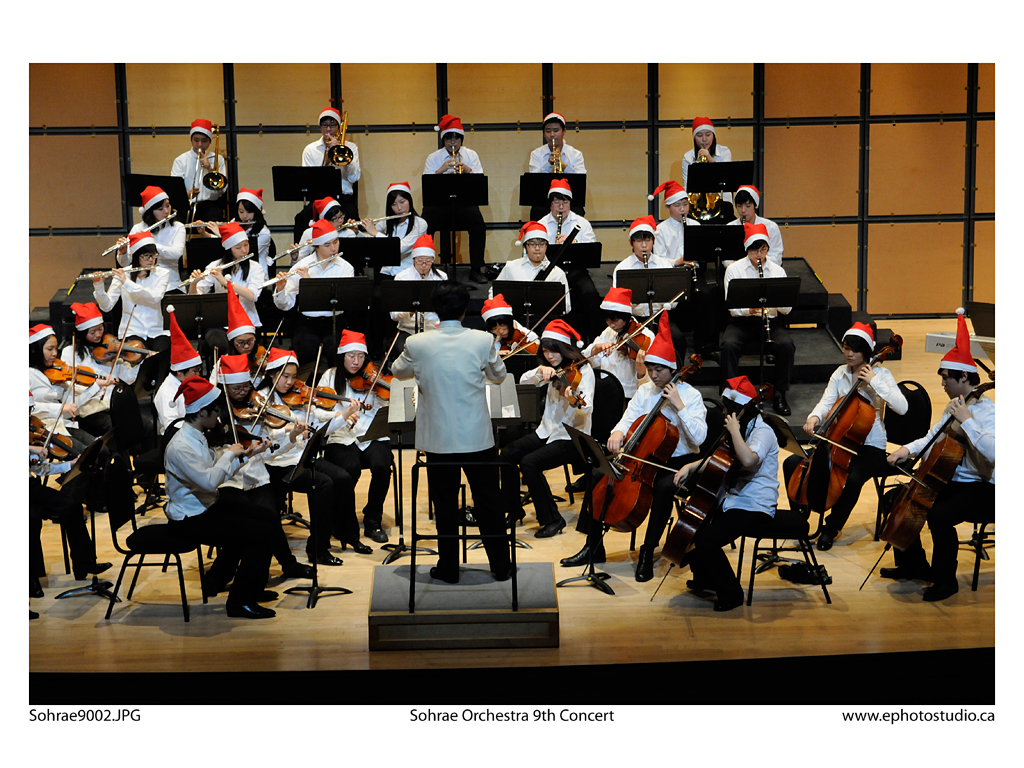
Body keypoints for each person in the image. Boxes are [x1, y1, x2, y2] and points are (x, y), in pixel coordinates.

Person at [563, 311, 707, 581]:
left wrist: (679, 406)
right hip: (643, 457)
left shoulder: (691, 396)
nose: (653, 375)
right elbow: (628, 419)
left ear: (673, 369)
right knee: (598, 473)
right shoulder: (645, 391)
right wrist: (618, 432)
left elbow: (699, 439)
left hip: (678, 462)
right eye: (650, 369)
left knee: (663, 489)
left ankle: (647, 551)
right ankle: (593, 547)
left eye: (659, 370)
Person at [390, 282, 513, 583]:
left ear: (436, 309)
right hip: (477, 438)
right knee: (489, 503)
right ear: (463, 310)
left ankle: (449, 568)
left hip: (438, 440)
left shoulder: (417, 343)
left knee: (444, 505)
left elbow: (397, 371)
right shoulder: (483, 339)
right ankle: (501, 565)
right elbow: (499, 376)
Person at [881, 309, 995, 601]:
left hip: (983, 487)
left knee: (939, 516)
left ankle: (946, 581)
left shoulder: (989, 412)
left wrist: (968, 421)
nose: (943, 384)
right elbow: (933, 436)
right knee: (896, 498)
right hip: (951, 480)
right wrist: (907, 449)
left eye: (946, 378)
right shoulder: (953, 404)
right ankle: (914, 566)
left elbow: (995, 455)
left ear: (964, 376)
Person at [784, 322, 908, 551]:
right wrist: (814, 417)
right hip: (839, 439)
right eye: (846, 348)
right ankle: (799, 520)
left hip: (871, 446)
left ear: (867, 352)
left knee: (852, 479)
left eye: (855, 350)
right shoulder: (840, 373)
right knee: (793, 463)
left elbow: (902, 407)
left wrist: (874, 381)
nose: (849, 354)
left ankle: (831, 528)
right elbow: (826, 402)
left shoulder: (882, 374)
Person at [162, 376, 278, 619]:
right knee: (259, 534)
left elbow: (216, 471)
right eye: (216, 411)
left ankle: (246, 587)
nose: (219, 416)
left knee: (267, 518)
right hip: (190, 518)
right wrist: (228, 455)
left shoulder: (198, 435)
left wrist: (247, 455)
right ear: (201, 411)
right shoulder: (181, 446)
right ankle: (240, 602)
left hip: (206, 506)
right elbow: (209, 481)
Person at [673, 376, 778, 611]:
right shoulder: (741, 428)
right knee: (696, 528)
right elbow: (721, 458)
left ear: (738, 411)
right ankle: (705, 579)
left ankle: (731, 594)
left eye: (726, 408)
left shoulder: (763, 431)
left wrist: (734, 432)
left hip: (755, 504)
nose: (722, 412)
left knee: (707, 541)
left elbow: (749, 460)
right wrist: (691, 466)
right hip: (734, 499)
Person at [212, 353, 317, 583]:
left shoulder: (258, 409)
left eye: (246, 386)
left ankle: (284, 567)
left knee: (270, 519)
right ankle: (221, 578)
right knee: (246, 528)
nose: (243, 392)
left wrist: (291, 436)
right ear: (224, 387)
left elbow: (270, 452)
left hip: (257, 477)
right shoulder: (214, 413)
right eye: (236, 388)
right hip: (228, 481)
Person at [257, 348, 371, 561]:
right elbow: (268, 439)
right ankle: (317, 548)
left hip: (304, 457)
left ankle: (349, 535)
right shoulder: (262, 400)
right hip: (278, 464)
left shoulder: (299, 397)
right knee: (323, 484)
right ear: (271, 374)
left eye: (293, 377)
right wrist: (290, 432)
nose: (290, 382)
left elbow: (320, 426)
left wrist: (344, 415)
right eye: (285, 376)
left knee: (344, 478)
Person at [501, 319, 595, 538]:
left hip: (572, 437)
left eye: (554, 351)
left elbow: (587, 408)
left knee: (530, 463)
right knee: (506, 454)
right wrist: (539, 370)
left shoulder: (584, 370)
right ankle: (514, 510)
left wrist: (573, 400)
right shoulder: (552, 369)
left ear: (564, 348)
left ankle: (553, 519)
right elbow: (524, 381)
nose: (550, 356)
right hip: (546, 431)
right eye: (545, 351)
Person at [317, 331, 393, 544]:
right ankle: (342, 520)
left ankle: (373, 519)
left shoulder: (373, 376)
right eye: (351, 356)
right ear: (342, 356)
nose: (356, 362)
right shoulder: (330, 376)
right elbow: (320, 409)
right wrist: (341, 416)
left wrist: (381, 390)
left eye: (361, 356)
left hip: (371, 434)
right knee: (349, 468)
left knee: (382, 466)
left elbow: (385, 407)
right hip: (341, 436)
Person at [721, 223, 795, 415]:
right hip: (742, 322)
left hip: (769, 321)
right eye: (754, 250)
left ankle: (780, 394)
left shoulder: (777, 271)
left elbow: (787, 309)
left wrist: (775, 300)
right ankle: (730, 395)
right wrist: (750, 309)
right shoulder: (734, 270)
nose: (759, 255)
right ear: (747, 250)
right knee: (728, 345)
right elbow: (732, 308)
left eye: (763, 250)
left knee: (786, 345)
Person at [273, 218, 357, 366]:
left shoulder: (346, 268)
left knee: (337, 348)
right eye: (327, 245)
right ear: (316, 247)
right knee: (304, 346)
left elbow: (345, 301)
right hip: (308, 321)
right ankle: (306, 380)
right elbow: (285, 305)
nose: (333, 248)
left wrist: (309, 283)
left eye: (336, 242)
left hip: (335, 320)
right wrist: (280, 289)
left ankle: (335, 379)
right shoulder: (302, 266)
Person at [422, 115, 488, 284]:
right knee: (425, 223)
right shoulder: (433, 157)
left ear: (461, 140)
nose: (453, 142)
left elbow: (479, 182)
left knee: (478, 224)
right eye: (449, 139)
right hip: (439, 205)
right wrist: (440, 170)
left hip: (464, 204)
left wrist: (467, 170)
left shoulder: (471, 155)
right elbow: (427, 185)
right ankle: (426, 268)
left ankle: (476, 269)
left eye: (456, 139)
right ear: (443, 140)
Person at [611, 215, 686, 361]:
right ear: (631, 243)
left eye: (648, 240)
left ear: (653, 241)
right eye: (639, 241)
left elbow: (674, 299)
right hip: (634, 320)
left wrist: (662, 302)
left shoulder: (663, 265)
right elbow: (617, 303)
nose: (644, 245)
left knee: (678, 338)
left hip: (659, 317)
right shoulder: (622, 268)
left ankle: (675, 373)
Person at [537, 178, 601, 342]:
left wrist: (573, 243)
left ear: (570, 203)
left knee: (590, 294)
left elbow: (591, 250)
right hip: (551, 271)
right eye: (556, 202)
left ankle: (592, 339)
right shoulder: (541, 225)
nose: (561, 206)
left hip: (576, 270)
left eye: (564, 202)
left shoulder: (582, 223)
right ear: (550, 204)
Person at [188, 222, 266, 353]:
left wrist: (226, 283)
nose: (244, 250)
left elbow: (253, 295)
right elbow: (195, 298)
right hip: (220, 322)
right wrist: (194, 283)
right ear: (229, 249)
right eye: (238, 247)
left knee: (243, 345)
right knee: (219, 344)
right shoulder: (215, 266)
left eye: (246, 245)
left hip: (247, 322)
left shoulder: (256, 267)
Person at [94, 230, 172, 353]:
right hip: (131, 331)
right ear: (136, 256)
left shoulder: (163, 273)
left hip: (156, 331)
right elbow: (107, 307)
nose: (151, 260)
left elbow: (155, 297)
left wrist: (127, 283)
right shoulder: (123, 274)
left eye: (153, 255)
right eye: (146, 256)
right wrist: (99, 287)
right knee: (137, 353)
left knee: (163, 353)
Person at [583, 286, 654, 401]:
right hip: (606, 390)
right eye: (607, 320)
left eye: (615, 320)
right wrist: (596, 349)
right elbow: (587, 361)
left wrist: (642, 371)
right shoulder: (608, 332)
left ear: (626, 316)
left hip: (631, 395)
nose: (611, 325)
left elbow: (652, 378)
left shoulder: (646, 336)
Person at [387, 235, 448, 365]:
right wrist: (409, 310)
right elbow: (394, 315)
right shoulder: (402, 277)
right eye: (420, 261)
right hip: (408, 330)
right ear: (413, 259)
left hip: (434, 329)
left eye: (428, 261)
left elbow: (447, 308)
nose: (424, 265)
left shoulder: (441, 277)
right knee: (412, 356)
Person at [115, 186, 186, 293]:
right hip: (143, 285)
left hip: (171, 285)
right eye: (160, 209)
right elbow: (125, 263)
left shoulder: (178, 227)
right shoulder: (138, 228)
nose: (166, 211)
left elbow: (177, 253)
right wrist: (123, 252)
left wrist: (149, 243)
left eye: (168, 206)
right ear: (150, 211)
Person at [492, 221, 571, 316]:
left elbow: (566, 306)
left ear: (546, 246)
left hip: (545, 320)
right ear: (526, 246)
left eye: (541, 244)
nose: (537, 248)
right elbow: (493, 293)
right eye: (532, 244)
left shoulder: (557, 273)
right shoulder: (511, 267)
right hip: (516, 319)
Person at [301, 107, 360, 221]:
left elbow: (354, 178)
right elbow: (310, 182)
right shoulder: (310, 150)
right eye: (325, 125)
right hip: (320, 199)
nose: (328, 129)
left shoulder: (351, 147)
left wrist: (342, 153)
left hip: (344, 199)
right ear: (320, 127)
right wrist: (326, 163)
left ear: (338, 127)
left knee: (352, 216)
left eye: (332, 125)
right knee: (300, 219)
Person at [154, 307, 204, 435]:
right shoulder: (167, 392)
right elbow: (172, 426)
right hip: (179, 440)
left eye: (199, 370)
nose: (198, 375)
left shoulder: (190, 383)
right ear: (180, 372)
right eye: (195, 371)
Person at [528, 112, 586, 220]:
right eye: (548, 131)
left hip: (570, 202)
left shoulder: (575, 154)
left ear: (564, 131)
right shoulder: (536, 154)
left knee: (578, 212)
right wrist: (548, 165)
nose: (552, 135)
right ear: (544, 133)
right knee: (536, 212)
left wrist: (564, 167)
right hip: (543, 202)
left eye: (556, 130)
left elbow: (581, 180)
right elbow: (534, 181)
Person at [170, 119, 228, 223]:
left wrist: (210, 169)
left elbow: (222, 190)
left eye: (204, 141)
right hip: (187, 207)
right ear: (191, 140)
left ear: (210, 142)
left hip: (211, 207)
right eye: (196, 140)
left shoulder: (217, 159)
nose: (200, 144)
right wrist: (186, 194)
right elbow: (175, 191)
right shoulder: (180, 160)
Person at [681, 116, 733, 219]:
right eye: (699, 135)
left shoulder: (724, 151)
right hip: (697, 205)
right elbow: (687, 186)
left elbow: (725, 177)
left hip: (722, 202)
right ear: (694, 138)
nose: (704, 139)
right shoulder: (688, 157)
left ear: (713, 135)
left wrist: (709, 158)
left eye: (708, 135)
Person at [375, 181, 430, 277]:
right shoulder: (387, 222)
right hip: (386, 272)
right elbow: (369, 239)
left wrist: (375, 233)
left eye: (402, 202)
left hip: (407, 274)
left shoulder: (420, 224)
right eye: (394, 204)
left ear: (409, 201)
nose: (399, 208)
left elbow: (400, 248)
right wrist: (357, 231)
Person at [481, 293, 539, 382]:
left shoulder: (529, 336)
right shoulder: (488, 338)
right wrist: (495, 354)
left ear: (509, 322)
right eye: (494, 329)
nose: (500, 332)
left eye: (503, 326)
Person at [725, 185, 783, 267]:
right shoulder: (730, 227)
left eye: (748, 206)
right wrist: (736, 267)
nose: (743, 210)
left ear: (755, 205)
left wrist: (754, 263)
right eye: (739, 206)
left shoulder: (771, 227)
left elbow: (776, 257)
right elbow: (726, 258)